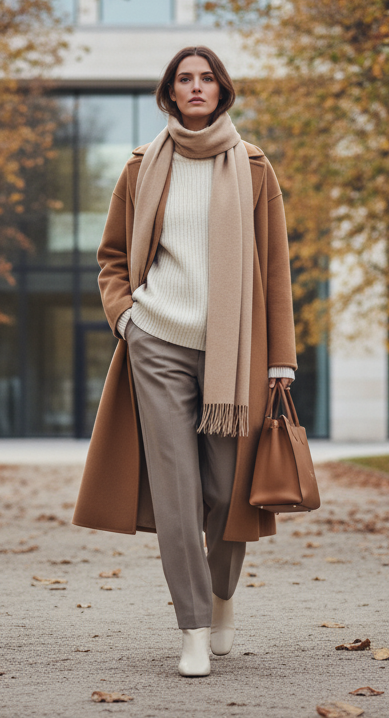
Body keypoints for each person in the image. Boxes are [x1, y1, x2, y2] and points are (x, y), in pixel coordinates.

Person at [72, 46, 298, 677]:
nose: (195, 88)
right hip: (159, 342)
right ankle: (192, 629)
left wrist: (282, 358)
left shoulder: (253, 167)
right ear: (169, 93)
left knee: (229, 491)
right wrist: (128, 319)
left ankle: (221, 593)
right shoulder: (141, 167)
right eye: (184, 79)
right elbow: (111, 258)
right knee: (175, 492)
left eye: (206, 79)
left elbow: (275, 270)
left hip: (237, 355)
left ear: (222, 91)